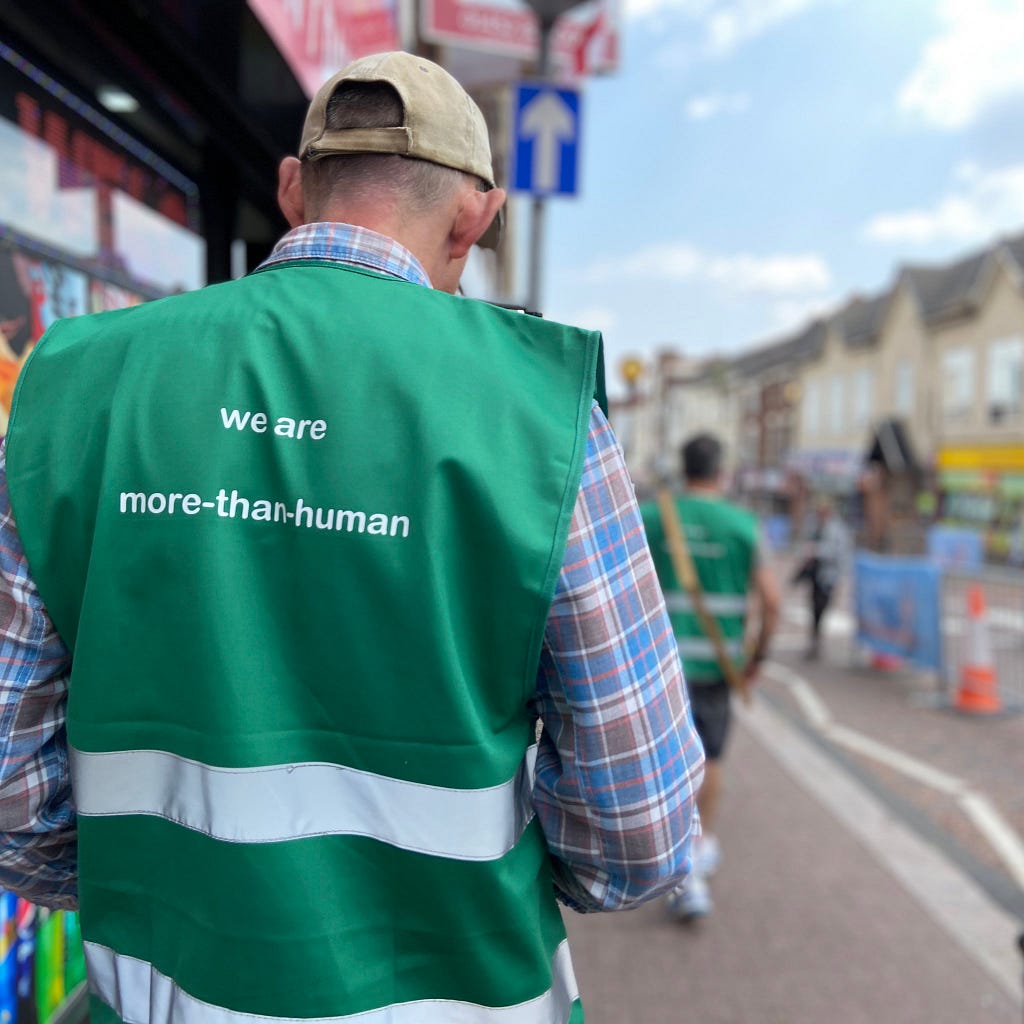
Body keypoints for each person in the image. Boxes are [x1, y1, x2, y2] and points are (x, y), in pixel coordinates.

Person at [0, 52, 704, 1024]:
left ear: (292, 189)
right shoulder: (535, 412)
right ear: (475, 216)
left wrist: (148, 884)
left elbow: (8, 776)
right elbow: (638, 828)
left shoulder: (78, 382)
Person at [641, 433, 779, 921]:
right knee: (711, 757)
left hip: (657, 663)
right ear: (722, 471)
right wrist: (756, 656)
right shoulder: (743, 524)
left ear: (683, 468)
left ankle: (652, 851)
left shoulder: (653, 518)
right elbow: (773, 600)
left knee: (661, 759)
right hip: (716, 667)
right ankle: (693, 860)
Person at [793, 495, 849, 660]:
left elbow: (838, 553)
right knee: (814, 609)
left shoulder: (837, 529)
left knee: (822, 608)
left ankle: (817, 641)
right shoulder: (815, 526)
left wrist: (816, 550)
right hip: (816, 576)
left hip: (827, 576)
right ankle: (814, 641)